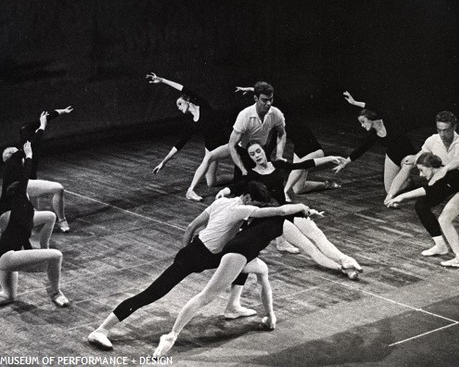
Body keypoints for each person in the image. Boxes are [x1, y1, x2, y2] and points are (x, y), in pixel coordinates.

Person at [87, 181, 308, 351]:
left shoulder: (221, 202)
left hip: (200, 251)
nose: (255, 209)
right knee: (153, 293)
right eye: (255, 204)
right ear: (248, 197)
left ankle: (233, 306)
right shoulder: (241, 209)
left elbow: (192, 226)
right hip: (196, 256)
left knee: (248, 263)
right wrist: (301, 206)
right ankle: (101, 329)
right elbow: (279, 212)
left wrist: (184, 249)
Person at [217, 141, 362, 280]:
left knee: (318, 236)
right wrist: (224, 191)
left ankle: (345, 259)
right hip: (276, 216)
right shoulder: (252, 175)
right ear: (250, 157)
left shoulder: (277, 164)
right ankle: (342, 268)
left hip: (290, 208)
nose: (257, 155)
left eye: (258, 151)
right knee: (309, 247)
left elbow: (302, 164)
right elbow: (238, 186)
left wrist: (329, 158)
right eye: (252, 154)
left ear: (264, 151)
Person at [390, 110, 459, 231]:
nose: (442, 134)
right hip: (444, 180)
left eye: (446, 130)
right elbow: (423, 153)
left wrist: (446, 168)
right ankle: (439, 243)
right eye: (439, 130)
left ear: (454, 127)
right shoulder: (432, 140)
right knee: (421, 205)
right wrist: (415, 157)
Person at [386, 153, 459, 268]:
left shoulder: (446, 174)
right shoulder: (438, 175)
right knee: (444, 219)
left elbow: (428, 190)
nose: (420, 174)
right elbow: (429, 189)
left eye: (421, 170)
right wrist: (401, 197)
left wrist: (402, 197)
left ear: (431, 167)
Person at [234, 86, 340, 202]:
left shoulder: (283, 113)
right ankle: (326, 184)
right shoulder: (276, 127)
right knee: (299, 188)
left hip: (315, 150)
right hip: (300, 151)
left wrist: (251, 89)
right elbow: (269, 148)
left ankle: (284, 193)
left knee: (296, 171)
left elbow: (273, 97)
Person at [230, 81, 297, 252]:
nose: (268, 104)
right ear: (255, 98)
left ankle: (281, 241)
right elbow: (232, 145)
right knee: (242, 198)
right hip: (245, 154)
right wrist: (244, 170)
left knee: (277, 196)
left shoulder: (275, 114)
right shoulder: (245, 116)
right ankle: (236, 237)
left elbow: (282, 134)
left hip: (262, 150)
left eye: (271, 100)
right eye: (264, 100)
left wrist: (279, 154)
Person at [0, 141, 69, 307]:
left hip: (9, 257)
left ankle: (44, 248)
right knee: (56, 255)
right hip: (8, 257)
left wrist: (29, 155)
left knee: (9, 297)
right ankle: (55, 292)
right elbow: (20, 177)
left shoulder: (23, 202)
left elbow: (24, 180)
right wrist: (27, 155)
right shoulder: (8, 210)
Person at [148, 72, 233, 201]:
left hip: (225, 144)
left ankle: (190, 190)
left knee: (209, 158)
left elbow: (182, 88)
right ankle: (238, 177)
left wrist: (163, 80)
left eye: (180, 104)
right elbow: (179, 144)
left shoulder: (202, 105)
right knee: (211, 182)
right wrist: (163, 162)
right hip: (211, 148)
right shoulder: (193, 123)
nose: (178, 107)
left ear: (187, 101)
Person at [1, 107, 73, 233]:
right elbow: (35, 141)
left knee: (36, 213)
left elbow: (31, 126)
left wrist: (58, 112)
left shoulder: (22, 150)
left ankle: (60, 220)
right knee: (57, 189)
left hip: (28, 184)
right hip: (21, 189)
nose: (12, 149)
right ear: (8, 157)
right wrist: (43, 126)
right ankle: (59, 221)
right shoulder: (13, 160)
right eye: (9, 151)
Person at [335, 92, 417, 200]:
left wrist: (355, 103)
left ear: (370, 118)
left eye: (363, 121)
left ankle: (405, 176)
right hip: (392, 156)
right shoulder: (374, 134)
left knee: (408, 170)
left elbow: (375, 107)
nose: (362, 125)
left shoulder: (388, 120)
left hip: (408, 154)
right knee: (389, 189)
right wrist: (346, 161)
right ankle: (408, 182)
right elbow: (362, 148)